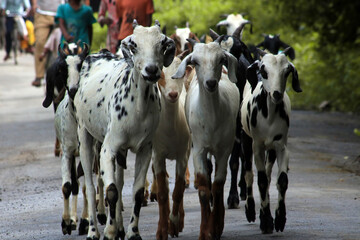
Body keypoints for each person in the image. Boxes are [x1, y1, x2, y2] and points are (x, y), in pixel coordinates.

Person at [30, 0, 64, 87]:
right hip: (42, 14)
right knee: (40, 43)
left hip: (60, 14)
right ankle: (39, 75)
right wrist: (34, 4)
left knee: (63, 43)